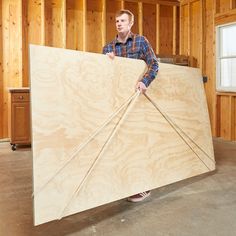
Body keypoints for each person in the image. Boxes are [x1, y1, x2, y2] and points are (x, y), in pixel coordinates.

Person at [103, 9, 159, 202]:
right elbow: (101, 76)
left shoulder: (141, 42)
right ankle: (122, 183)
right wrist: (107, 63)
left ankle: (143, 186)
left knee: (139, 144)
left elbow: (154, 64)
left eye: (123, 21)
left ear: (131, 23)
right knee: (119, 144)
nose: (119, 23)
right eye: (117, 21)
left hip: (138, 100)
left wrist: (145, 81)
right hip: (116, 102)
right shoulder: (108, 47)